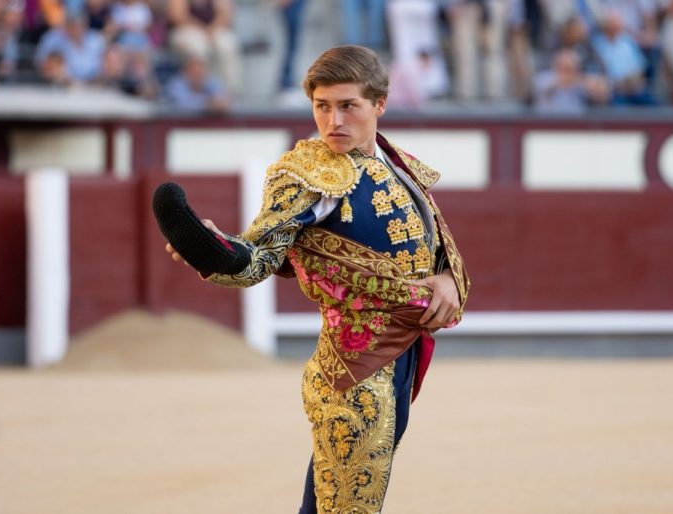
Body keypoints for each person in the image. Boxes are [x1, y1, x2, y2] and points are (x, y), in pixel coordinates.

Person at [163, 45, 469, 513]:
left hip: (401, 351)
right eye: (322, 106)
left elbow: (434, 239)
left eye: (348, 106)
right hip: (355, 365)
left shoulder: (396, 163)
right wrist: (213, 249)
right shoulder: (307, 175)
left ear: (380, 104)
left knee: (336, 497)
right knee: (347, 502)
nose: (333, 121)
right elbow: (259, 256)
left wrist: (447, 277)